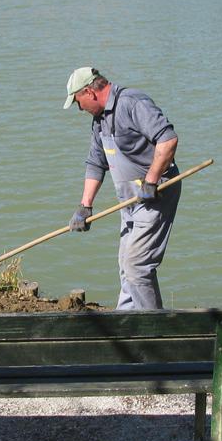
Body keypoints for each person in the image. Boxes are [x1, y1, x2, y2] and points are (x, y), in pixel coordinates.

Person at [63, 67, 180, 310]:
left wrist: (151, 180)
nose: (79, 108)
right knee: (126, 266)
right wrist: (85, 206)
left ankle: (153, 326)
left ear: (89, 92)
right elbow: (96, 163)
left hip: (155, 195)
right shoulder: (100, 121)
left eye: (78, 102)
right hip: (129, 201)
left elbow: (168, 140)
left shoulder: (131, 103)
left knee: (137, 266)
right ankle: (125, 319)